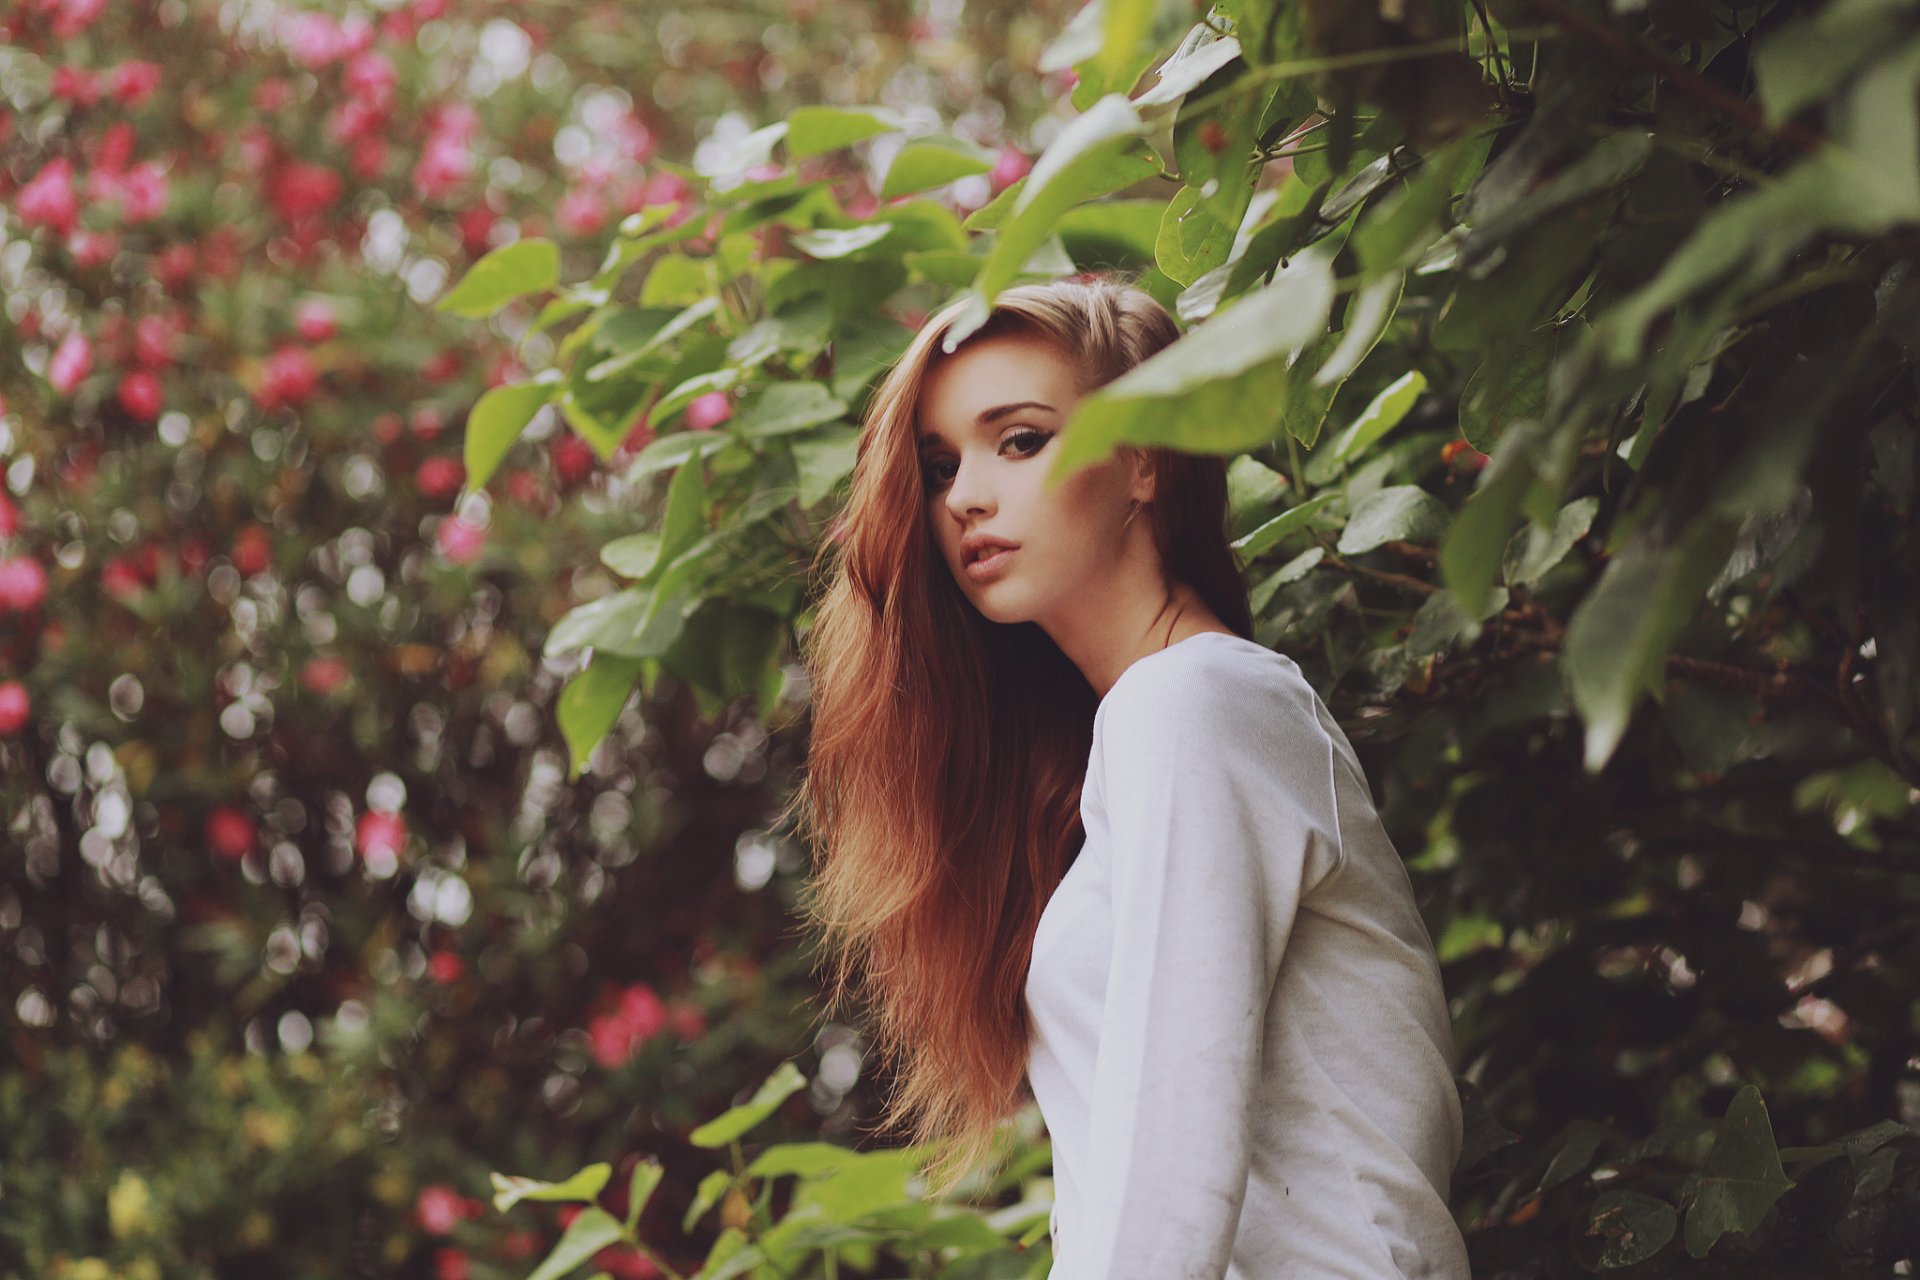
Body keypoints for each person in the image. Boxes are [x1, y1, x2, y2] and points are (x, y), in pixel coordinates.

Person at [785, 271, 1470, 1279]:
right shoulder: (1158, 723)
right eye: (938, 466)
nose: (967, 494)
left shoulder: (1191, 702)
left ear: (1143, 461)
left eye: (1020, 439)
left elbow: (1172, 1155)